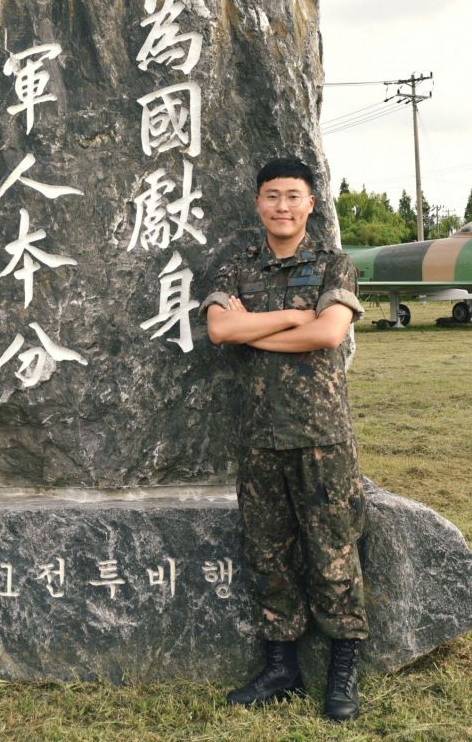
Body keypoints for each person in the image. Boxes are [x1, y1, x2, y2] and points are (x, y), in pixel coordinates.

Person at [201, 156, 367, 722]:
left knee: (333, 552)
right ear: (258, 203)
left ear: (310, 204)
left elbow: (329, 333)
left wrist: (257, 330)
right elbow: (220, 328)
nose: (282, 206)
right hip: (258, 437)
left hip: (321, 435)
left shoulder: (334, 265)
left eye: (293, 196)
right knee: (267, 554)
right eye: (272, 195)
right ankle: (281, 667)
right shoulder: (236, 268)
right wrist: (294, 319)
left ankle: (342, 670)